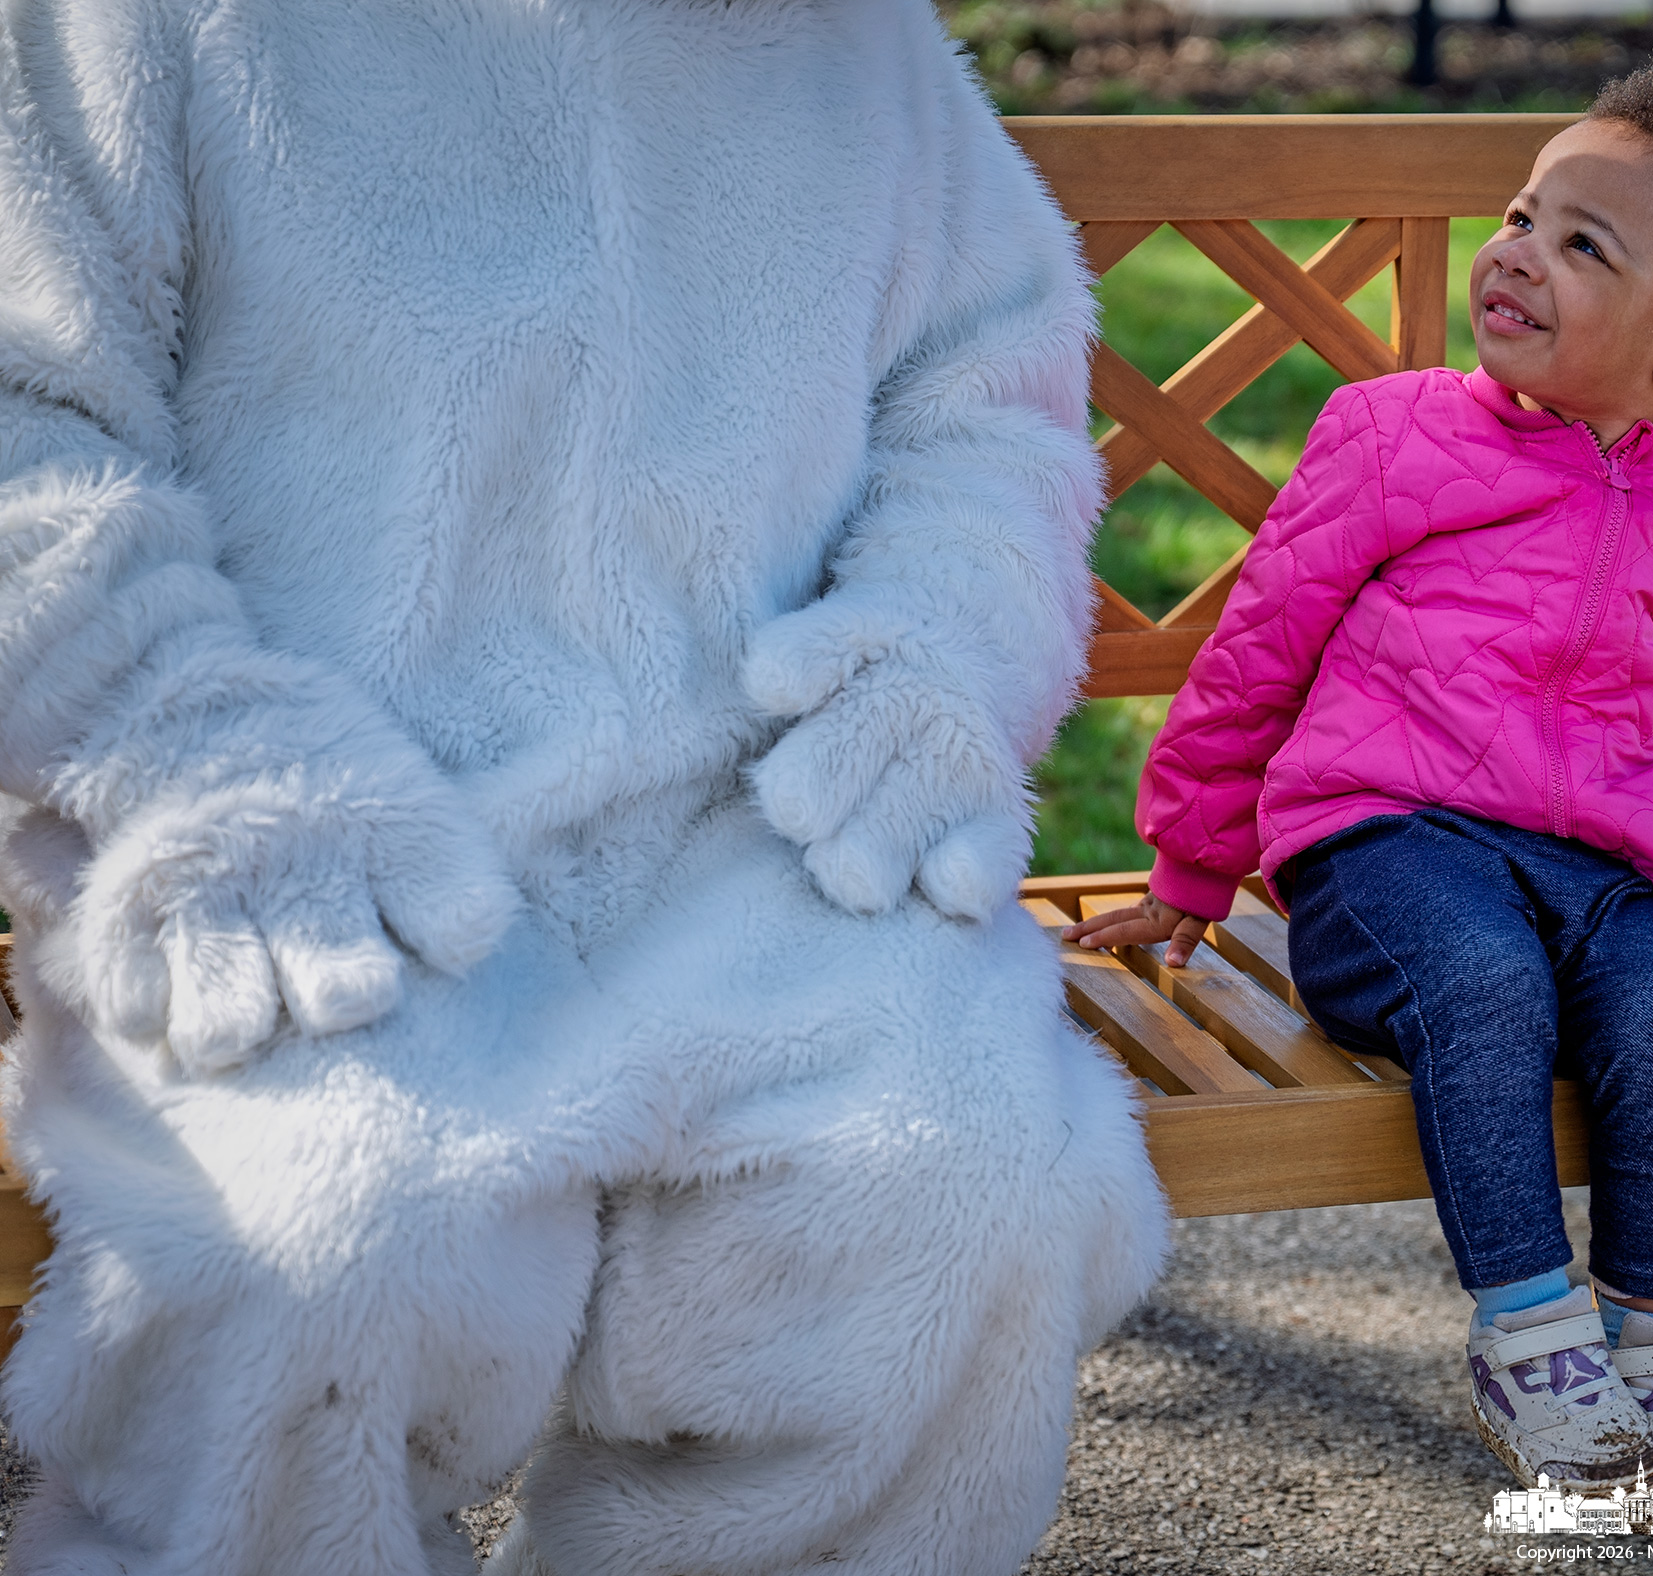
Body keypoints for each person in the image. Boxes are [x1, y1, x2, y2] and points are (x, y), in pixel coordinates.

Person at [0, 2, 1170, 1571]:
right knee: (328, 1241)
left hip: (748, 828)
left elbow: (988, 408)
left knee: (964, 1193)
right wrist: (190, 738)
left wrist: (939, 651)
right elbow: (26, 413)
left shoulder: (853, 43)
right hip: (314, 825)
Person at [1067, 71, 1653, 1495]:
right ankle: (1528, 1336)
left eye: (1581, 246)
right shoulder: (1396, 434)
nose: (1514, 252)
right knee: (1484, 978)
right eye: (1522, 215)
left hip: (1613, 875)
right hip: (1388, 851)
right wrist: (1192, 861)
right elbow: (1262, 646)